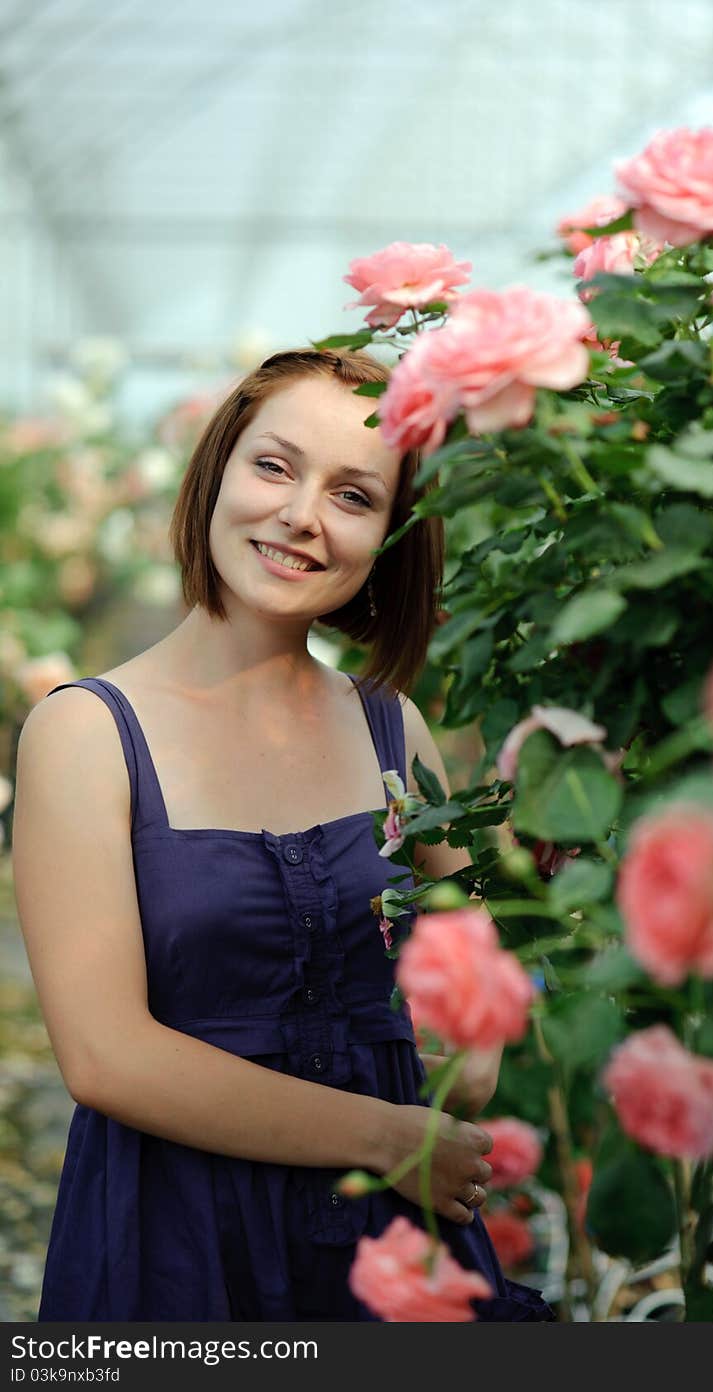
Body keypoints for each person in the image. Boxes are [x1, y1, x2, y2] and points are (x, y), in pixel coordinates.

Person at [12, 348, 554, 1321]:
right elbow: (105, 1056)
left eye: (352, 494)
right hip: (183, 1244)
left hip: (392, 1242)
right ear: (218, 470)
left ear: (390, 536)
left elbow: (483, 960)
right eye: (274, 466)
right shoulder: (86, 733)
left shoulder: (392, 725)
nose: (302, 514)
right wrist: (386, 1138)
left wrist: (473, 1053)